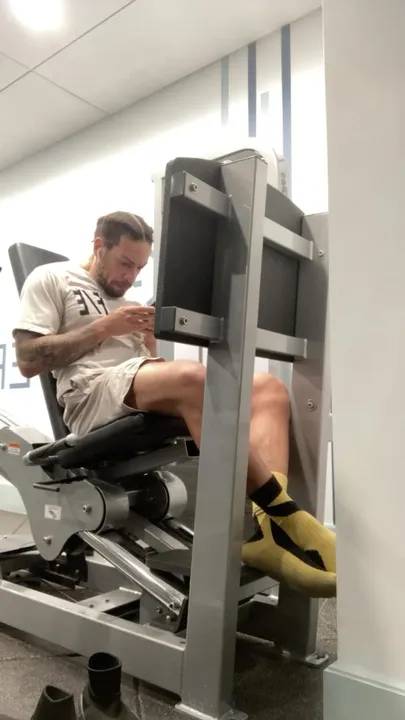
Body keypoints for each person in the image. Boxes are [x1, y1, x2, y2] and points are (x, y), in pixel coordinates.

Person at [13, 211, 336, 598]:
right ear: (99, 247)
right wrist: (106, 327)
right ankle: (286, 515)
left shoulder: (129, 302)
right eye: (125, 263)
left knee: (268, 389)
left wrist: (150, 344)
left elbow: (150, 371)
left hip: (132, 386)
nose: (130, 276)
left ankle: (266, 530)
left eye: (139, 268)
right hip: (89, 393)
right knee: (193, 378)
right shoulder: (52, 278)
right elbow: (27, 360)